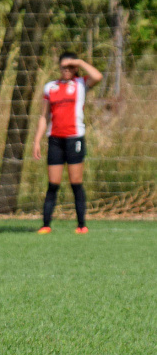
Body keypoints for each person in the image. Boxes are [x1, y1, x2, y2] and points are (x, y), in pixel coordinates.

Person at [33, 52, 102, 234]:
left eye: (70, 67)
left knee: (75, 182)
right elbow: (44, 116)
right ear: (59, 67)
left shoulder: (80, 84)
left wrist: (79, 61)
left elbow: (98, 76)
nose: (66, 70)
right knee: (53, 183)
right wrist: (37, 140)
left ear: (75, 68)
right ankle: (46, 225)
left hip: (75, 138)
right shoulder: (50, 87)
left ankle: (81, 225)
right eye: (64, 66)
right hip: (55, 139)